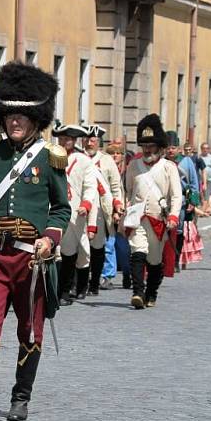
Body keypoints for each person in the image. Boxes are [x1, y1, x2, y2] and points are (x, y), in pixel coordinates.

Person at [0, 61, 70, 421]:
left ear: (37, 119)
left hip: (30, 259)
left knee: (29, 328)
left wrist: (50, 239)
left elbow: (62, 209)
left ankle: (21, 397)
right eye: (9, 116)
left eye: (21, 116)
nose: (14, 122)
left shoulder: (50, 159)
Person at [123, 114, 182, 309]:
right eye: (144, 145)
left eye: (151, 145)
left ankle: (151, 292)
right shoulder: (133, 166)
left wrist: (173, 216)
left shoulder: (169, 167)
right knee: (137, 252)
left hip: (158, 220)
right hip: (137, 218)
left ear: (159, 146)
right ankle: (137, 292)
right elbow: (128, 191)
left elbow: (176, 195)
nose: (147, 149)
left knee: (155, 261)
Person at [52, 123, 98, 303]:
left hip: (74, 212)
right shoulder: (49, 156)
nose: (63, 143)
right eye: (61, 139)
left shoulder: (83, 160)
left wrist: (86, 204)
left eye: (67, 140)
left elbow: (90, 185)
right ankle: (52, 290)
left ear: (74, 141)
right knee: (53, 252)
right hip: (53, 209)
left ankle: (64, 291)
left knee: (69, 252)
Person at [83, 125, 124, 294]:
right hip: (82, 207)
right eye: (87, 139)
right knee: (80, 247)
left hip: (101, 209)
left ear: (98, 142)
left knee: (98, 247)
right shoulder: (79, 158)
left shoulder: (107, 160)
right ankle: (79, 283)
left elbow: (115, 187)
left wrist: (117, 208)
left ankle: (95, 283)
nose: (89, 143)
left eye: (93, 140)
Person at [166, 132, 200, 274]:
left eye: (173, 147)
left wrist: (192, 201)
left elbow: (193, 182)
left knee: (178, 230)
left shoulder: (186, 162)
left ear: (178, 149)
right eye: (168, 147)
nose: (170, 150)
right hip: (164, 200)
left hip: (180, 200)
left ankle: (175, 260)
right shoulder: (162, 162)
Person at [107, 141, 132, 288]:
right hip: (109, 210)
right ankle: (107, 275)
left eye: (118, 153)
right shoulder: (104, 169)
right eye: (112, 153)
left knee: (124, 247)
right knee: (109, 244)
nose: (115, 156)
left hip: (126, 211)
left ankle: (128, 272)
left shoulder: (128, 171)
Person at [199, 142, 211, 213]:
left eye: (207, 148)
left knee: (210, 193)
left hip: (210, 178)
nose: (205, 150)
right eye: (203, 148)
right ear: (201, 149)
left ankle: (209, 208)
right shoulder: (199, 157)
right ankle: (204, 207)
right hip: (201, 179)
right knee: (203, 193)